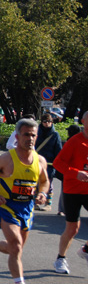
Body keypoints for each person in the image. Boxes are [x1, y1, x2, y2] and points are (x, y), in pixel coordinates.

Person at [0, 118, 49, 284]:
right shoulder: (6, 159)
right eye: (26, 134)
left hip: (27, 209)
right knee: (16, 245)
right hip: (8, 208)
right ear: (17, 137)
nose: (30, 138)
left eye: (33, 135)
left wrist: (42, 193)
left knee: (14, 250)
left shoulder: (40, 160)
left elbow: (44, 181)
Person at [52, 111, 88, 275]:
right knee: (72, 228)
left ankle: (86, 249)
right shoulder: (74, 142)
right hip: (72, 191)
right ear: (83, 121)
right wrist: (76, 173)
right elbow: (58, 164)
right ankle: (60, 258)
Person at [33, 113, 62, 211]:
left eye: (49, 122)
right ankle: (35, 202)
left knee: (48, 183)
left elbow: (58, 149)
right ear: (41, 122)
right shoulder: (36, 132)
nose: (47, 124)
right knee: (35, 182)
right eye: (45, 122)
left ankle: (48, 203)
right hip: (36, 160)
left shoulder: (55, 134)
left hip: (50, 163)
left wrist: (57, 163)